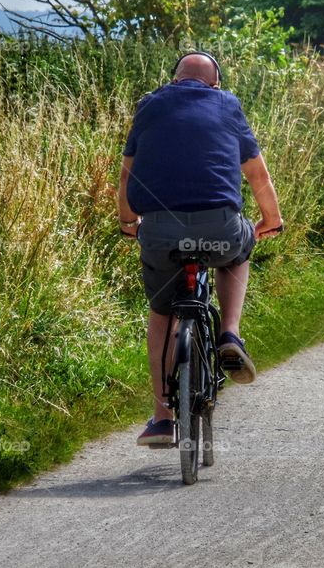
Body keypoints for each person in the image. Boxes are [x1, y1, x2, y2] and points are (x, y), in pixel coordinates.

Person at [116, 52, 283, 446]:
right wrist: (270, 220)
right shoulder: (227, 105)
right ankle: (229, 334)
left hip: (158, 230)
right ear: (215, 85)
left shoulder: (150, 105)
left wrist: (127, 223)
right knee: (239, 250)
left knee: (161, 315)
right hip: (219, 227)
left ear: (174, 81)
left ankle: (161, 418)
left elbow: (126, 174)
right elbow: (257, 175)